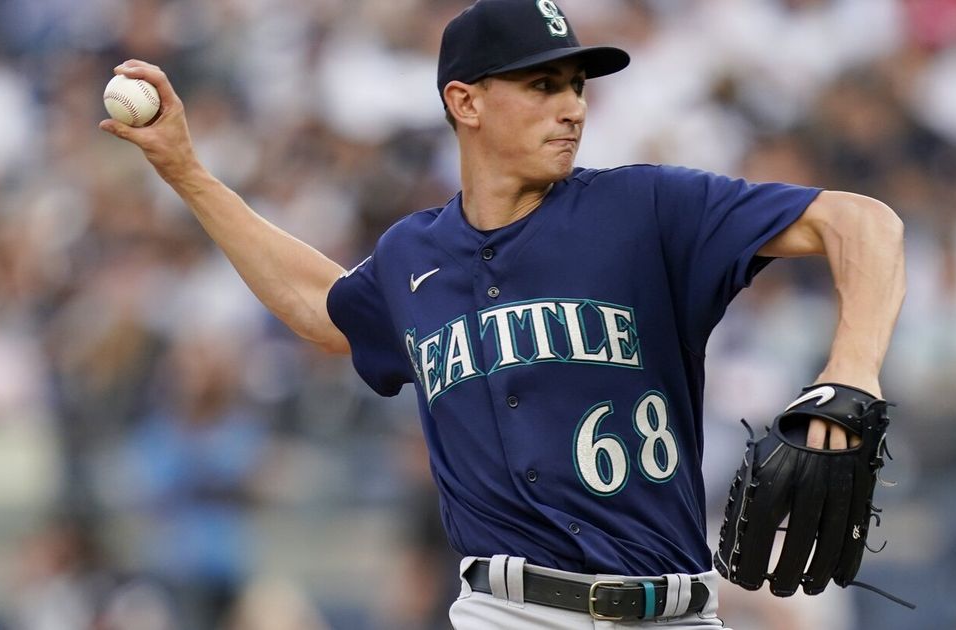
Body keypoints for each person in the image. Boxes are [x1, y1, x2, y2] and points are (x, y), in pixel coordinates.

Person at [98, 0, 905, 627]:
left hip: (674, 611)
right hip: (504, 611)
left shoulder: (644, 208)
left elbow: (862, 221)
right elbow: (322, 306)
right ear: (466, 101)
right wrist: (188, 171)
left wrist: (851, 372)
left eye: (578, 85)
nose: (574, 107)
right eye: (543, 84)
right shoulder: (415, 256)